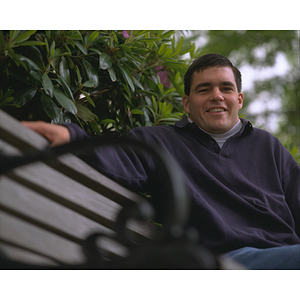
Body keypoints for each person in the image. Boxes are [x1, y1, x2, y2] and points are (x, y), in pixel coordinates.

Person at [22, 53, 300, 269]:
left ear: (238, 99)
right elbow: (115, 157)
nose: (217, 95)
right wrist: (72, 138)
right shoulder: (160, 142)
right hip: (222, 263)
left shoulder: (269, 147)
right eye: (204, 89)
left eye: (225, 88)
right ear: (187, 104)